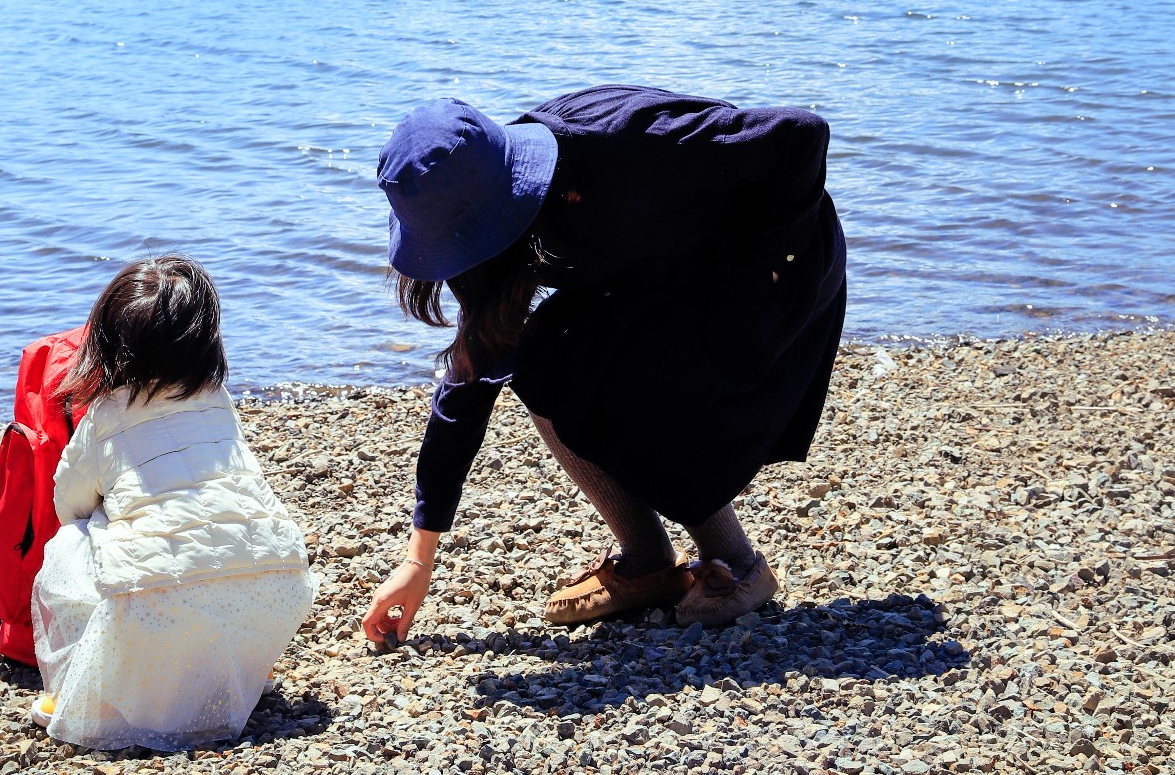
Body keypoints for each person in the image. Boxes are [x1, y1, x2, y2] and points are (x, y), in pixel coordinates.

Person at [361, 85, 846, 645]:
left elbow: (799, 135)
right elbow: (474, 371)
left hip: (769, 267)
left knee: (638, 385)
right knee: (541, 362)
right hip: (658, 272)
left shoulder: (624, 141)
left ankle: (737, 564)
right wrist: (419, 559)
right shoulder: (483, 211)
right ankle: (648, 564)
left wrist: (771, 264)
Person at [30, 255, 318, 750]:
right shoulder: (217, 397)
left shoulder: (104, 414)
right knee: (225, 535)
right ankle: (241, 672)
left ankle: (83, 686)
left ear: (105, 344)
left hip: (156, 602)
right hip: (279, 588)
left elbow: (67, 505)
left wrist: (106, 509)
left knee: (74, 538)